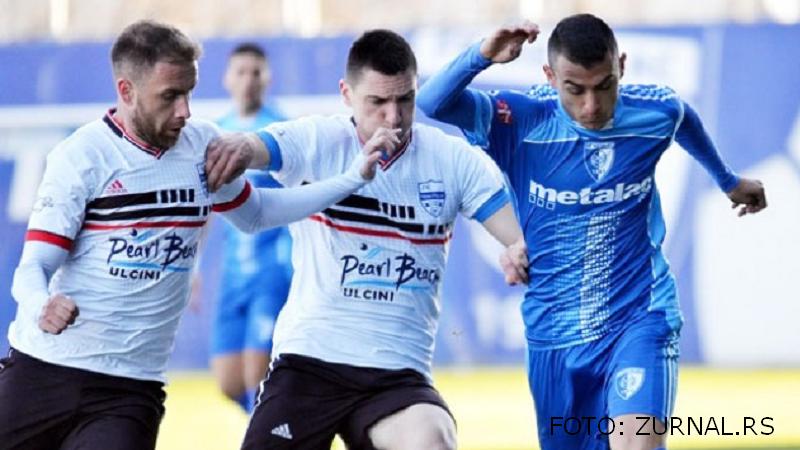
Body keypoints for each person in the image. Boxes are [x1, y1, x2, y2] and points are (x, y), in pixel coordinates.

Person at [0, 20, 386, 450]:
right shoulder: (81, 157)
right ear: (126, 91)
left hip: (128, 391)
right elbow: (34, 265)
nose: (184, 111)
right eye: (170, 96)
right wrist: (41, 304)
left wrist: (350, 179)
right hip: (43, 372)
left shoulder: (202, 146)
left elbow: (258, 213)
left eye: (189, 93)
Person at [416, 14, 767, 450]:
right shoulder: (521, 121)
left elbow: (683, 117)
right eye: (575, 90)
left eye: (604, 86)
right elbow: (432, 102)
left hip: (640, 317)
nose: (591, 106)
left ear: (622, 66)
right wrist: (483, 54)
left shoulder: (654, 111)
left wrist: (728, 181)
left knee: (636, 443)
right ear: (550, 77)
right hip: (554, 334)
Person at [205, 29, 524, 450]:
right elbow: (257, 146)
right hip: (309, 363)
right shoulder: (317, 139)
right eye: (377, 102)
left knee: (434, 441)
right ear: (346, 94)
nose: (393, 118)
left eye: (405, 100)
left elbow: (515, 237)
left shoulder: (452, 159)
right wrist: (240, 148)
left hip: (396, 376)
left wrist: (516, 251)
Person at [210, 42, 293, 413]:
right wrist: (194, 270)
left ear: (268, 78)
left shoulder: (280, 131)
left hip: (273, 269)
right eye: (241, 72)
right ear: (227, 78)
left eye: (256, 72)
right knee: (228, 383)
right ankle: (281, 428)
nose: (248, 80)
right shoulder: (217, 133)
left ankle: (271, 434)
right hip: (233, 274)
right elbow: (206, 206)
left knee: (257, 378)